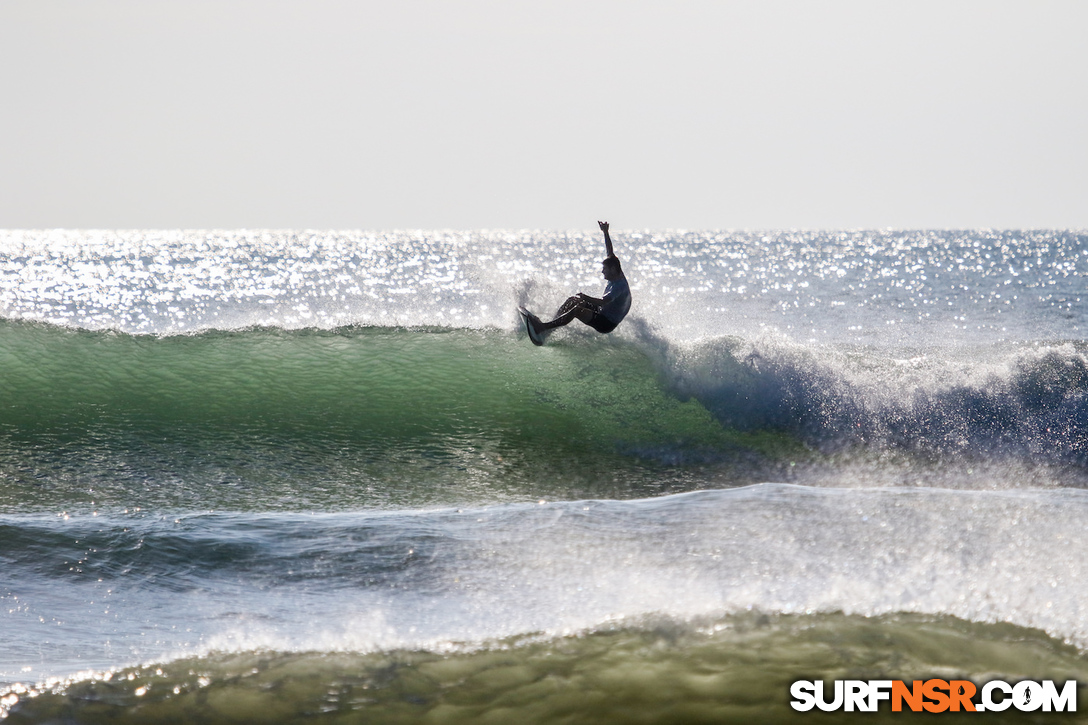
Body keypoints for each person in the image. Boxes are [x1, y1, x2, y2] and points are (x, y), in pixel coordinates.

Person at [527, 221, 631, 340]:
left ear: (612, 269)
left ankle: (543, 328)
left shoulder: (619, 286)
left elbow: (603, 302)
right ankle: (549, 327)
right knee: (573, 301)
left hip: (606, 322)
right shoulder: (617, 271)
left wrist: (586, 297)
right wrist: (606, 232)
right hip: (603, 311)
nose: (602, 272)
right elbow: (610, 252)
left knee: (577, 310)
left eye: (604, 269)